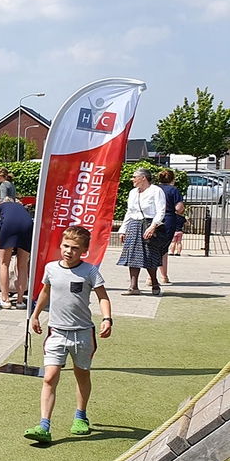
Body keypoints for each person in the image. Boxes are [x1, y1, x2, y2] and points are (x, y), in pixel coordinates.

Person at [23, 227, 112, 444]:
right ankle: (44, 425)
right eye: (65, 246)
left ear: (84, 251)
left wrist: (107, 318)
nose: (68, 251)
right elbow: (45, 292)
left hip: (83, 333)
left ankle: (80, 415)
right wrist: (35, 315)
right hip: (56, 332)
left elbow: (103, 297)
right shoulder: (51, 268)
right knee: (50, 377)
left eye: (74, 248)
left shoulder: (90, 271)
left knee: (82, 375)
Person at [117, 168, 167, 296]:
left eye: (135, 177)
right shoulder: (133, 192)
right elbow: (129, 211)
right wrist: (123, 229)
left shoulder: (156, 191)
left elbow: (161, 211)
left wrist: (153, 226)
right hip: (134, 224)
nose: (132, 179)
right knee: (132, 256)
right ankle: (133, 287)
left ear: (143, 177)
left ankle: (154, 282)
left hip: (149, 224)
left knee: (149, 255)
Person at [0, 199, 33, 309]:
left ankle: (5, 299)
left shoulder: (1, 207)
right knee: (22, 267)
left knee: (4, 264)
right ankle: (20, 301)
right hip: (28, 225)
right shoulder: (21, 208)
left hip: (9, 226)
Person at [156, 169, 185, 285]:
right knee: (164, 247)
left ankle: (151, 276)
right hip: (168, 218)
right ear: (172, 179)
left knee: (153, 246)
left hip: (153, 218)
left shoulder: (154, 189)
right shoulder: (174, 190)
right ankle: (163, 276)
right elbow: (179, 208)